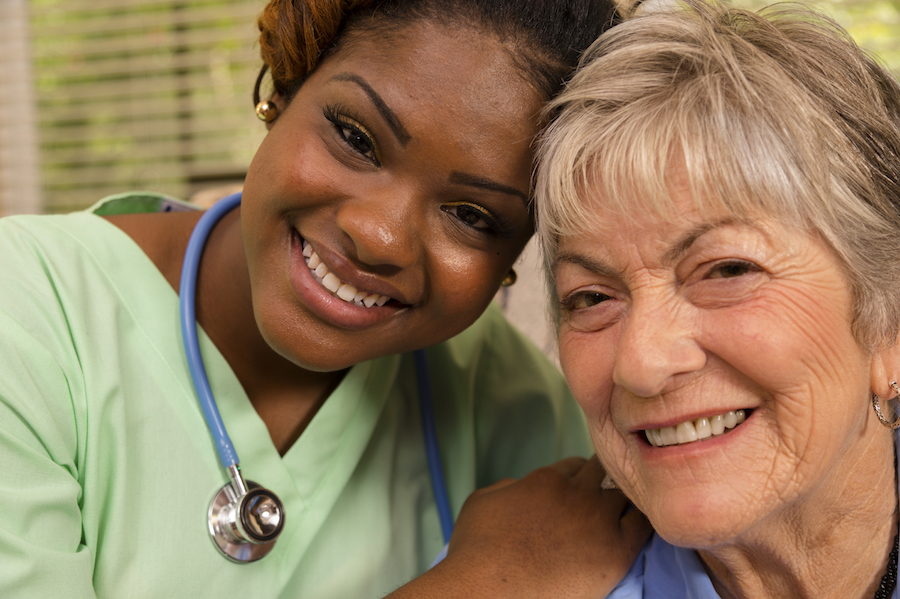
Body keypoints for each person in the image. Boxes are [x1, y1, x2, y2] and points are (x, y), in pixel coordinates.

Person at [0, 0, 652, 597]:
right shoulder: (26, 309)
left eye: (473, 216)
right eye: (356, 137)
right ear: (284, 85)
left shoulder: (504, 392)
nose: (378, 235)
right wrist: (486, 580)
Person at [535, 1, 900, 597]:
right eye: (591, 297)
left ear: (890, 323)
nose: (641, 364)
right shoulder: (501, 574)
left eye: (726, 269)